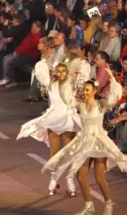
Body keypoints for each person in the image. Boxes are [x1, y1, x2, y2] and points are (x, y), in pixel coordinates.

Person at [42, 79, 127, 215]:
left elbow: (114, 96)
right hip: (85, 142)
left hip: (98, 142)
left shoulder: (100, 104)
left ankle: (108, 206)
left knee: (99, 177)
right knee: (81, 176)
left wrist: (111, 77)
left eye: (88, 90)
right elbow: (67, 98)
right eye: (84, 90)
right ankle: (88, 208)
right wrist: (66, 81)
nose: (85, 92)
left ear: (94, 91)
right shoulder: (81, 105)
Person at [17, 63, 80, 196]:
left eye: (64, 71)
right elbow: (39, 72)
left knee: (69, 154)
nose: (61, 73)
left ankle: (70, 180)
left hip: (68, 121)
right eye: (59, 71)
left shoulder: (72, 84)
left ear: (67, 72)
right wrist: (45, 58)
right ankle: (53, 180)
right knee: (54, 153)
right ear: (55, 72)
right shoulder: (51, 84)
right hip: (54, 120)